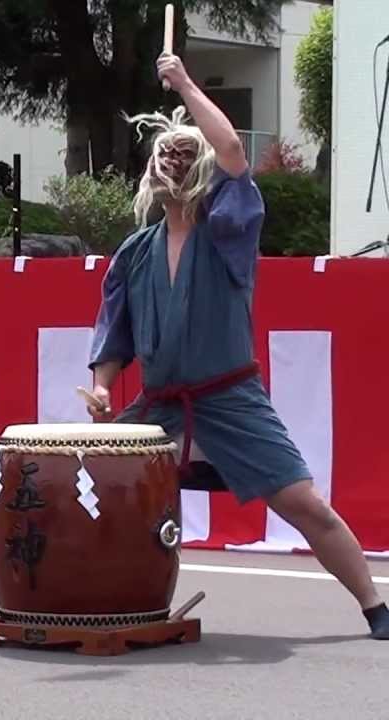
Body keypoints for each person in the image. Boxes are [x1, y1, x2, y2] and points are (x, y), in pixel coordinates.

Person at [84, 53, 389, 640]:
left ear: (201, 170)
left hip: (229, 396)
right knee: (94, 485)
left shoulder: (227, 228)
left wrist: (184, 84)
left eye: (184, 154)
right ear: (150, 171)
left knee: (306, 506)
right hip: (160, 405)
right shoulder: (134, 252)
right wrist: (101, 389)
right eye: (164, 154)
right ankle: (113, 597)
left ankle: (375, 606)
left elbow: (233, 155)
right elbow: (113, 336)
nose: (173, 162)